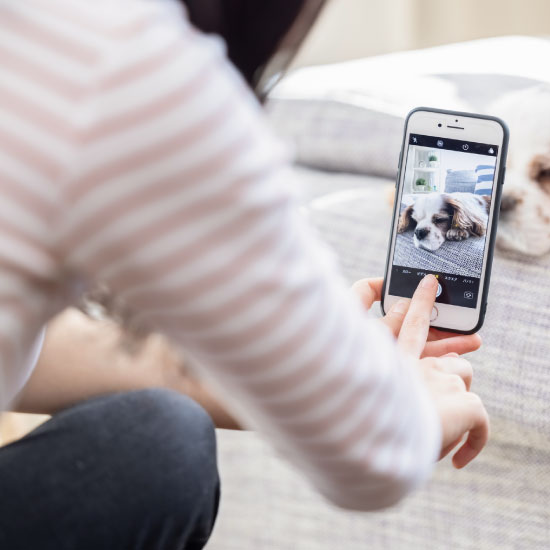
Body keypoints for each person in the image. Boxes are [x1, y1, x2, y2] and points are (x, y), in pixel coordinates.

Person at [0, 1, 490, 549]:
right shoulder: (117, 59)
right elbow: (377, 457)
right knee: (158, 447)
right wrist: (400, 407)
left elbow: (23, 347)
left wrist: (297, 376)